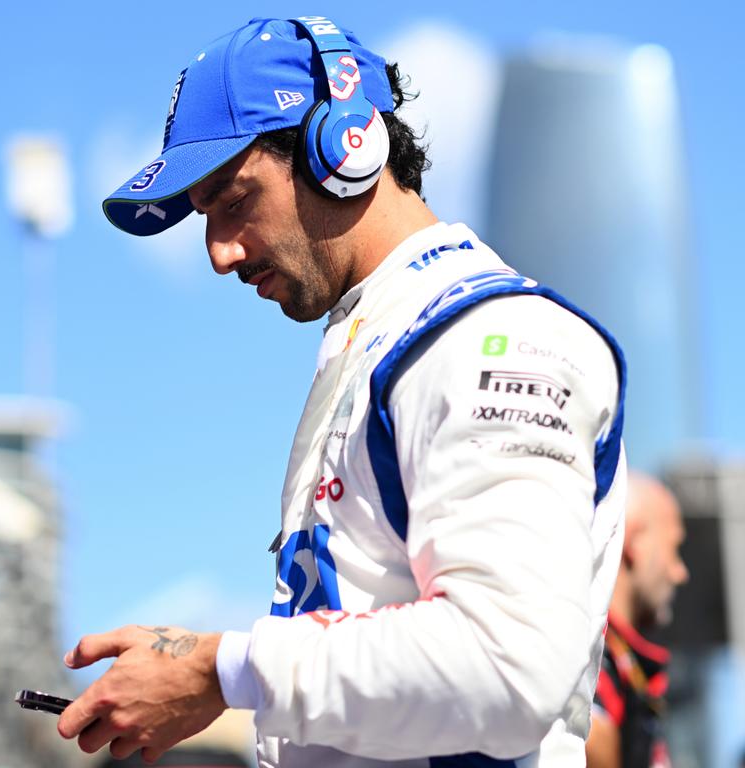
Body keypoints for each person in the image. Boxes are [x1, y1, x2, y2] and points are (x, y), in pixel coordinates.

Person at [57, 16, 628, 767]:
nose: (219, 252)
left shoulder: (490, 339)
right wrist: (206, 666)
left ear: (345, 146)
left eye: (233, 199)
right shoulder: (384, 343)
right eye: (203, 218)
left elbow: (510, 663)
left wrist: (220, 670)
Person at [586, 473, 688, 768]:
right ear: (636, 541)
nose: (680, 573)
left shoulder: (625, 663)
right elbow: (587, 746)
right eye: (674, 549)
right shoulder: (589, 649)